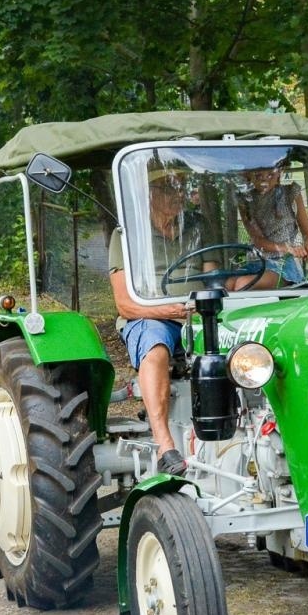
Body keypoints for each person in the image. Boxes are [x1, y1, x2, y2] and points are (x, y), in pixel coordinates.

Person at [110, 172, 203, 477]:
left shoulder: (198, 226)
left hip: (197, 315)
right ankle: (166, 446)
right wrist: (170, 311)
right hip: (150, 317)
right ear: (149, 193)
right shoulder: (126, 235)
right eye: (168, 187)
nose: (178, 194)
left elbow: (215, 274)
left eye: (182, 186)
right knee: (155, 346)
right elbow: (125, 304)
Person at [237, 165, 308, 289]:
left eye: (270, 175)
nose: (265, 181)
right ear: (248, 176)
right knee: (226, 285)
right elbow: (257, 240)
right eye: (259, 176)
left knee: (242, 284)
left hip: (282, 263)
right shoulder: (245, 200)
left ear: (279, 173)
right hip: (256, 261)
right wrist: (288, 248)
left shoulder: (291, 193)